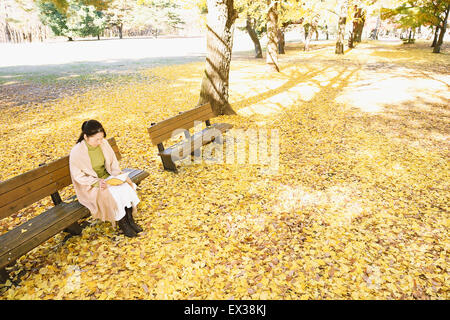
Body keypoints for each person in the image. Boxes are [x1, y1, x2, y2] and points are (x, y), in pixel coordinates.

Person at [69, 120, 143, 237]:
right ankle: (123, 224)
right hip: (91, 185)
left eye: (101, 138)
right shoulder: (77, 152)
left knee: (125, 187)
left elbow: (113, 163)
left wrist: (115, 176)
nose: (100, 142)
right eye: (96, 139)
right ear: (86, 137)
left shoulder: (104, 143)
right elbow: (78, 176)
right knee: (113, 194)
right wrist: (96, 182)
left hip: (108, 177)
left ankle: (130, 220)